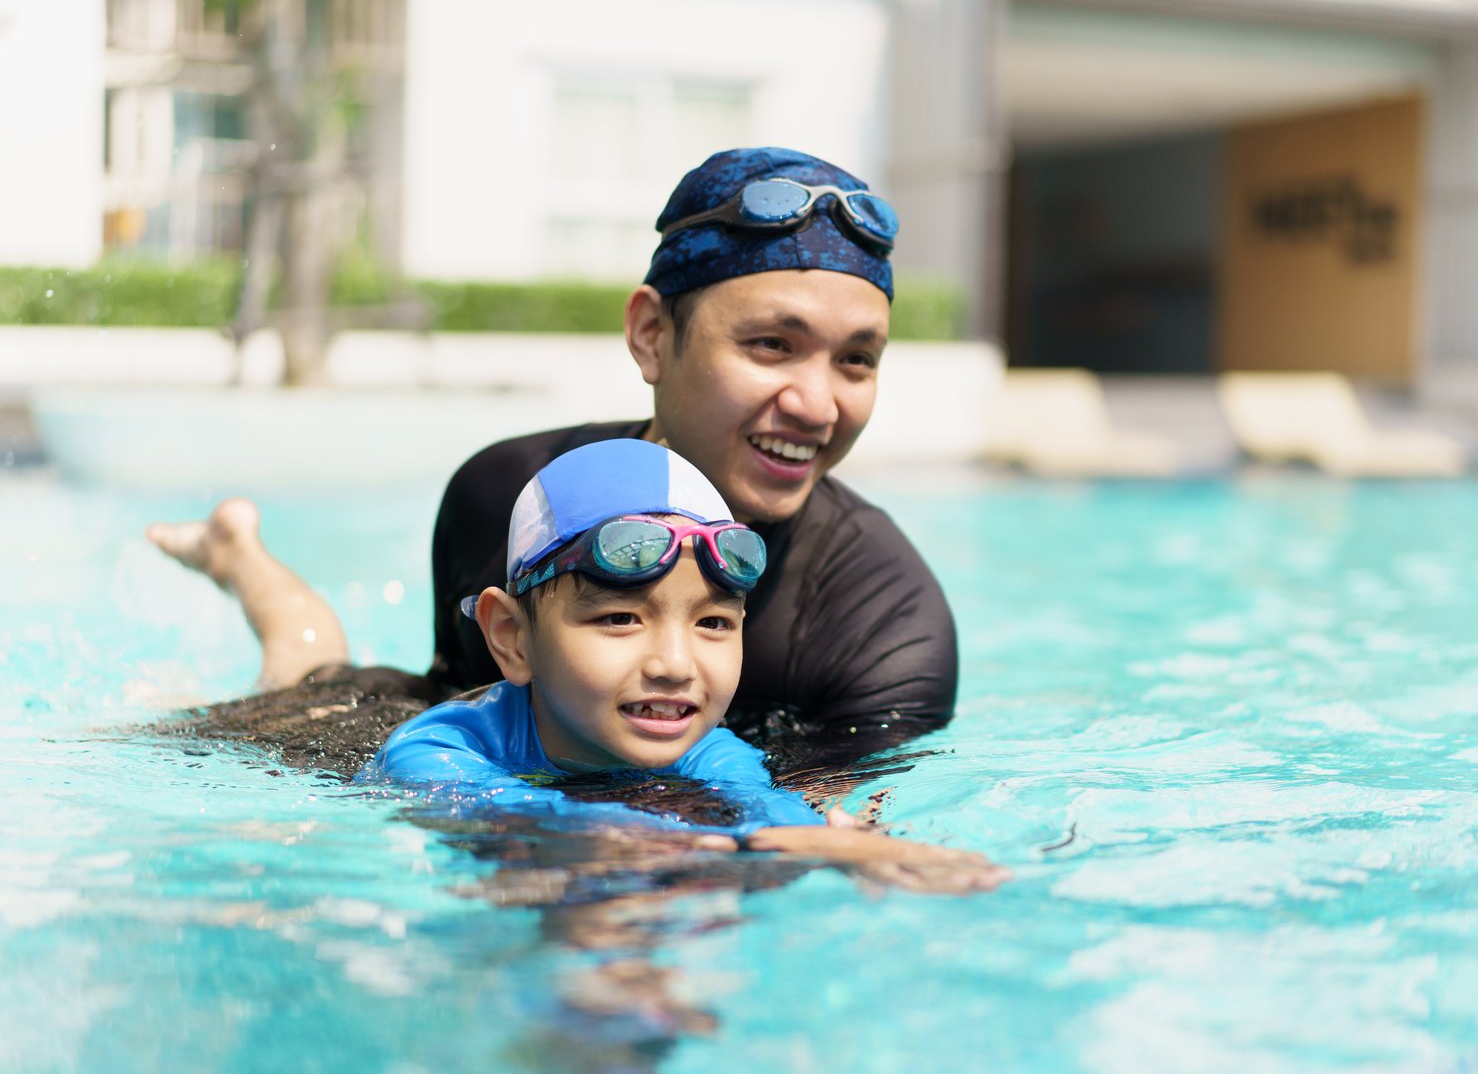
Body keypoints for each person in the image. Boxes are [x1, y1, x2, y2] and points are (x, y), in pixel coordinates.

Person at [150, 145, 956, 773]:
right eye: (771, 345)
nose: (818, 405)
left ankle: (237, 550)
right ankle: (243, 558)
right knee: (311, 691)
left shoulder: (883, 630)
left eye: (856, 360)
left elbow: (811, 845)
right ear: (651, 336)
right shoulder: (506, 493)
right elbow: (452, 706)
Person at [357, 436, 1005, 893]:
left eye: (713, 623)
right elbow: (513, 819)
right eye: (619, 618)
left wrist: (844, 845)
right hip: (337, 722)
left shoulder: (709, 754)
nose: (674, 664)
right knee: (308, 666)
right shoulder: (434, 749)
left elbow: (764, 810)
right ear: (512, 639)